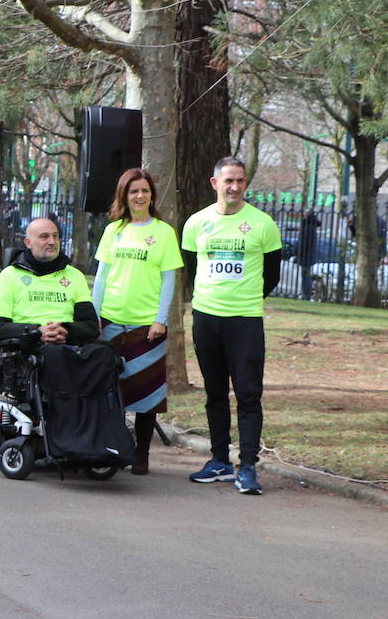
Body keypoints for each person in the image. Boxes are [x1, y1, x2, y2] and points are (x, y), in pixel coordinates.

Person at [181, 156, 283, 496]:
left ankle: (248, 466)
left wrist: (245, 297)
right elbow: (192, 270)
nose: (235, 187)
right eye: (228, 181)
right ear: (215, 184)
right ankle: (220, 460)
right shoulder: (196, 223)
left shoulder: (263, 224)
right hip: (206, 318)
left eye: (240, 181)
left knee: (248, 394)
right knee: (214, 393)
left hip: (245, 320)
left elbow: (272, 276)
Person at [91, 169, 182, 474]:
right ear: (124, 196)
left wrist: (160, 320)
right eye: (133, 191)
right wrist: (95, 316)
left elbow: (169, 281)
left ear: (152, 195)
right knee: (109, 391)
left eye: (144, 190)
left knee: (148, 396)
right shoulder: (114, 230)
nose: (139, 196)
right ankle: (112, 447)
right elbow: (102, 278)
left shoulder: (165, 233)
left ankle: (141, 455)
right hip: (112, 323)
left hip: (147, 329)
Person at [0, 217, 99, 347]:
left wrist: (65, 330)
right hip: (26, 349)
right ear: (28, 243)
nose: (52, 242)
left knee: (106, 354)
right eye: (44, 237)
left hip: (68, 346)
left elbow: (91, 326)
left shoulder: (75, 276)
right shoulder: (9, 276)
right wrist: (37, 332)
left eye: (55, 236)